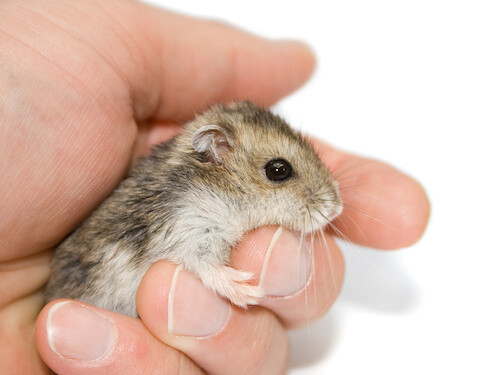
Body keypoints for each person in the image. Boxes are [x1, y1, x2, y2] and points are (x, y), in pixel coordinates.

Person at [0, 0, 430, 373]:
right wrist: (215, 275)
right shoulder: (183, 196)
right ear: (214, 151)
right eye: (278, 171)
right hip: (83, 293)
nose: (327, 203)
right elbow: (180, 246)